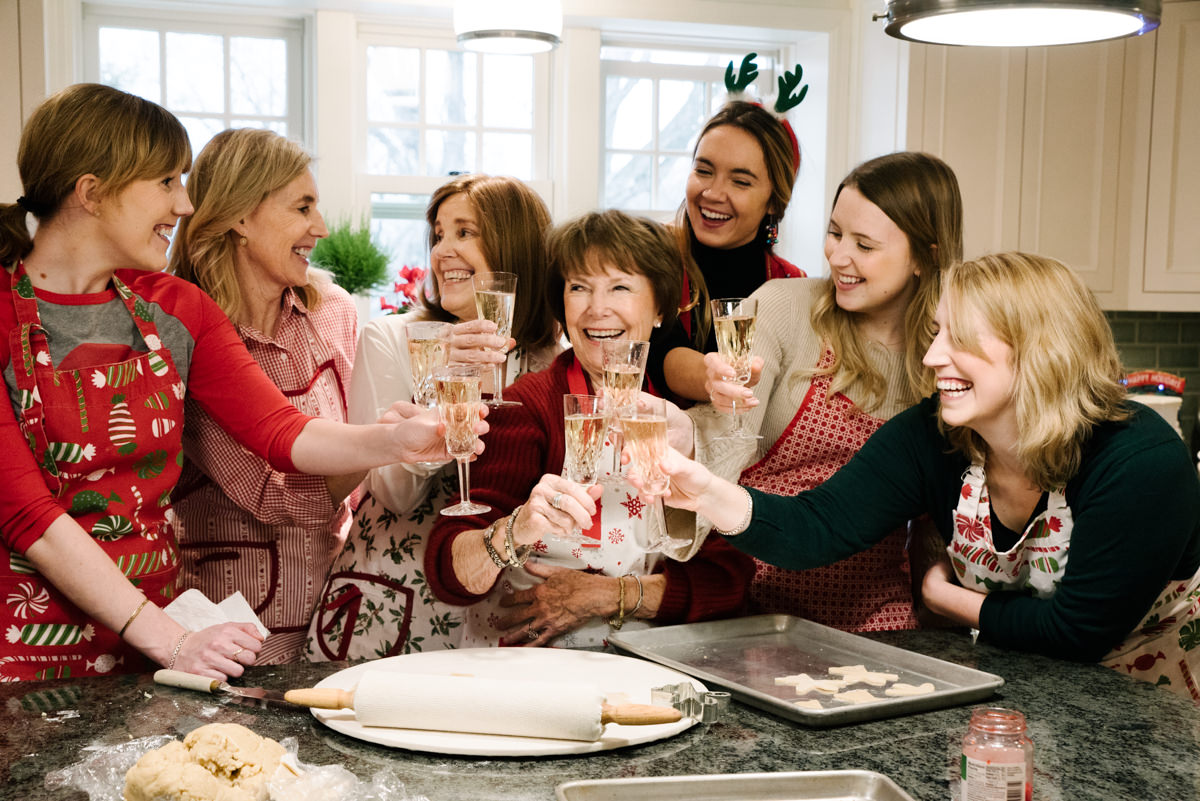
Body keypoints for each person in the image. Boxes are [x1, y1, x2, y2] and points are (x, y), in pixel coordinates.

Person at [0, 84, 478, 682]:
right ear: (93, 193)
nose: (183, 205)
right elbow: (28, 516)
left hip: (159, 636)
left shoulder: (176, 309)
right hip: (32, 645)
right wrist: (170, 640)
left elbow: (281, 431)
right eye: (167, 183)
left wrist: (392, 442)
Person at [639, 252, 1200, 698]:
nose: (931, 358)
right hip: (1031, 678)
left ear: (1040, 353)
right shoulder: (932, 437)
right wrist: (710, 492)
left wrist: (948, 598)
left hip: (1157, 687)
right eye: (935, 333)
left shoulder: (1139, 461)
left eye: (959, 339)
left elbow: (1078, 632)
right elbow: (818, 527)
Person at [423, 210, 755, 648]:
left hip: (645, 669)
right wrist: (515, 529)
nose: (597, 309)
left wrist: (609, 595)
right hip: (525, 674)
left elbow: (730, 581)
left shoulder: (682, 414)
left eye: (620, 286)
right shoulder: (529, 404)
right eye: (579, 287)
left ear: (659, 309)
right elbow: (448, 574)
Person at [693, 152, 963, 632]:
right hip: (748, 605)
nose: (839, 257)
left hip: (877, 619)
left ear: (927, 254)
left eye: (864, 244)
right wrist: (717, 409)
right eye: (835, 233)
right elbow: (723, 466)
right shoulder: (781, 308)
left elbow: (937, 533)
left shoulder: (944, 360)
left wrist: (940, 625)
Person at [307, 174, 563, 660]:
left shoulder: (553, 356)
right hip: (396, 596)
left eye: (465, 233)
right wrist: (446, 381)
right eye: (439, 235)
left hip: (510, 605)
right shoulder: (392, 338)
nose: (443, 250)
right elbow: (393, 493)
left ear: (515, 247)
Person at [168, 128, 359, 664]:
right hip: (229, 632)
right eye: (303, 207)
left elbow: (356, 482)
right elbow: (277, 495)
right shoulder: (184, 334)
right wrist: (392, 442)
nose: (319, 228)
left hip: (333, 615)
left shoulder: (333, 311)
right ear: (241, 217)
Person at [648, 56, 809, 404]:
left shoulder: (793, 286)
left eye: (740, 180)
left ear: (773, 201)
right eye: (703, 170)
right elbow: (660, 352)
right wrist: (716, 378)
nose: (713, 193)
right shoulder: (650, 260)